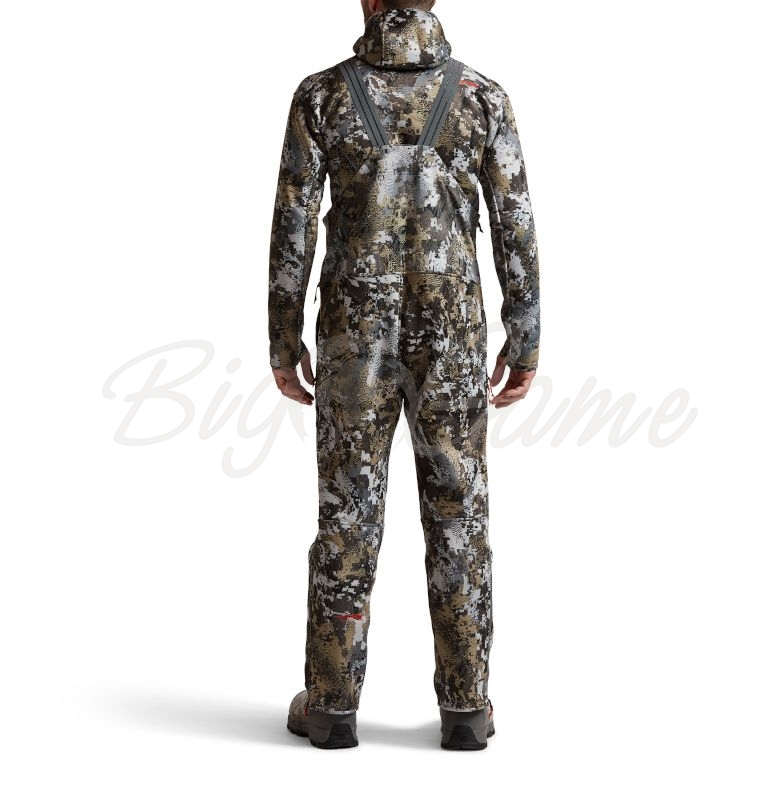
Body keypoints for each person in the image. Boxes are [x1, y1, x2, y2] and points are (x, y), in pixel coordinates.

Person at [269, 0, 540, 750]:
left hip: (352, 339)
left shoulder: (322, 95)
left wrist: (282, 337)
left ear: (367, 1)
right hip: (453, 339)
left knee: (347, 513)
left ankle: (331, 704)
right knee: (459, 513)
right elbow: (514, 221)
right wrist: (525, 336)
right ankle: (467, 707)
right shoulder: (483, 97)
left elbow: (293, 223)